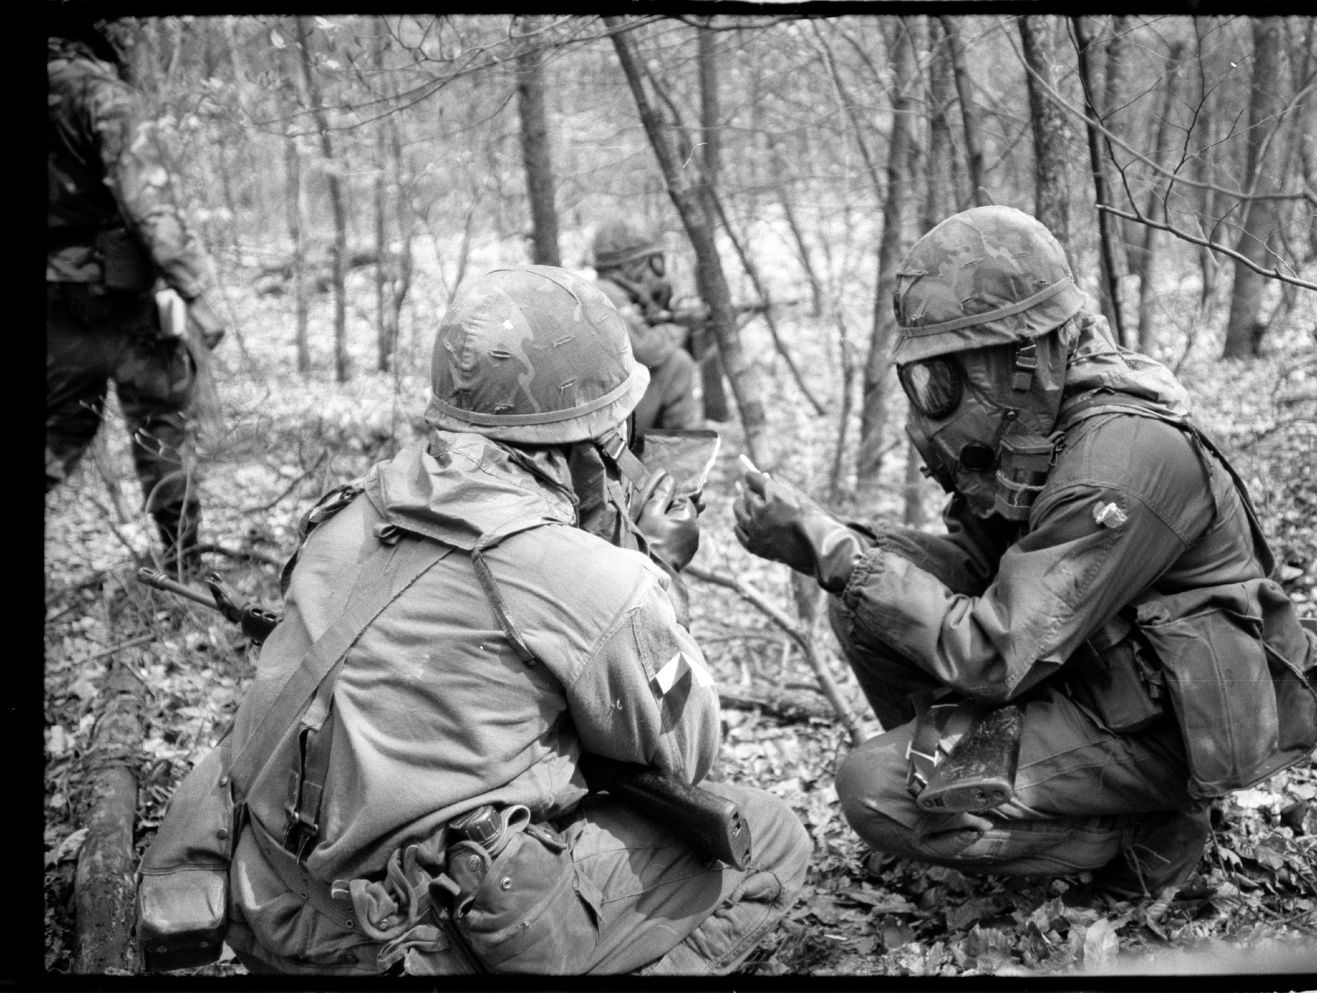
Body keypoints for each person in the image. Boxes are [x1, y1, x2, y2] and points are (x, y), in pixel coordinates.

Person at [212, 266, 809, 975]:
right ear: (593, 443)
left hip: (272, 909)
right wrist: (654, 574)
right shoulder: (586, 577)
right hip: (407, 942)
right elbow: (686, 751)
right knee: (769, 835)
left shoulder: (354, 509)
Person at [732, 206, 1317, 898]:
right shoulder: (1045, 419)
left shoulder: (1118, 459)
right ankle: (973, 779)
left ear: (1023, 356)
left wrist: (835, 551)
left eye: (951, 373)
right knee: (865, 602)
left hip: (1170, 725)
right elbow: (984, 563)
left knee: (874, 787)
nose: (936, 398)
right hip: (1090, 675)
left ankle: (1144, 832)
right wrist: (846, 556)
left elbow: (995, 651)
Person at [47, 12, 230, 573]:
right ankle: (185, 566)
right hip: (119, 298)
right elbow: (149, 206)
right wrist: (197, 289)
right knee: (160, 424)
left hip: (56, 305)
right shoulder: (103, 96)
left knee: (56, 432)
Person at [590, 218, 705, 431]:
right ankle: (677, 454)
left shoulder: (600, 291)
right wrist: (680, 324)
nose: (655, 274)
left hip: (598, 412)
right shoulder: (608, 295)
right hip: (605, 421)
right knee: (679, 365)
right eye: (652, 262)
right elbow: (648, 351)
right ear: (630, 266)